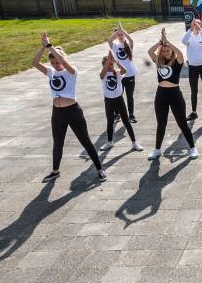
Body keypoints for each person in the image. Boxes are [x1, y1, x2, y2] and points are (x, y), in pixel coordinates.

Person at [32, 32, 105, 183]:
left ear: (63, 59)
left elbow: (63, 62)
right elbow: (35, 63)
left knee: (85, 141)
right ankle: (55, 171)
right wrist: (43, 47)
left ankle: (99, 169)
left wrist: (51, 46)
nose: (55, 65)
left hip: (73, 111)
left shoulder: (71, 71)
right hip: (57, 112)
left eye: (57, 62)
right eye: (52, 63)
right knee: (57, 142)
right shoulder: (51, 72)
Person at [147, 28, 199, 161]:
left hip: (175, 94)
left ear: (171, 50)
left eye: (168, 50)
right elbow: (150, 52)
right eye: (163, 51)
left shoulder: (178, 62)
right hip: (161, 94)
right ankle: (157, 150)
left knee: (182, 123)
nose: (166, 52)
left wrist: (168, 42)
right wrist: (160, 42)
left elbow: (180, 53)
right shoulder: (159, 62)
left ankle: (192, 148)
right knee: (161, 124)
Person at [99, 50, 141, 152]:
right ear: (104, 65)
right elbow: (101, 74)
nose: (110, 66)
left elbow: (125, 71)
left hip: (119, 100)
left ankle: (134, 142)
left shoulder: (117, 73)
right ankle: (109, 142)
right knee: (110, 121)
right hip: (108, 101)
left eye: (111, 64)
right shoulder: (104, 75)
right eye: (108, 65)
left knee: (126, 121)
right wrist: (108, 60)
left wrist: (115, 61)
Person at [181, 19, 202, 123]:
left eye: (198, 25)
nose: (196, 26)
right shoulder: (189, 36)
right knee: (194, 91)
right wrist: (191, 29)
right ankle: (194, 112)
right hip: (192, 67)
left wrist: (200, 29)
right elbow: (183, 41)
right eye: (194, 24)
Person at [109, 23, 139, 123]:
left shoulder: (128, 45)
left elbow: (131, 40)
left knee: (130, 96)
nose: (120, 36)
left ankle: (131, 115)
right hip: (119, 75)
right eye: (118, 35)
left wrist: (123, 31)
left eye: (122, 34)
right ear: (116, 36)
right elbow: (109, 40)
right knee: (118, 95)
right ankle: (117, 114)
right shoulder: (114, 45)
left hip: (130, 74)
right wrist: (118, 30)